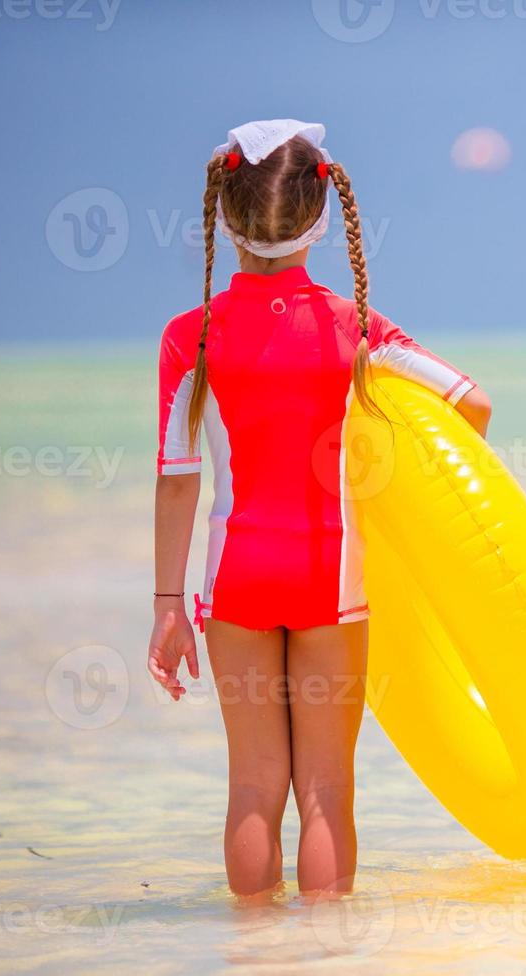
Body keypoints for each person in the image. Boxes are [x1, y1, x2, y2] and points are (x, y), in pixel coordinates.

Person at [146, 120, 491, 900]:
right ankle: (326, 957)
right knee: (326, 792)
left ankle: (253, 954)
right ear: (320, 219)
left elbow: (176, 478)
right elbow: (473, 404)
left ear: (225, 218)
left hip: (234, 586)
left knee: (253, 788)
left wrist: (168, 607)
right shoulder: (355, 328)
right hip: (330, 583)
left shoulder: (188, 337)